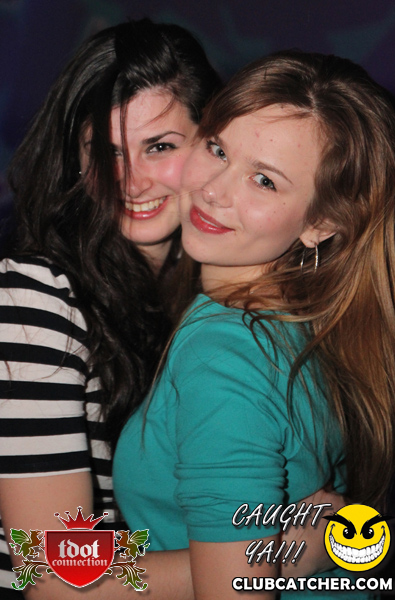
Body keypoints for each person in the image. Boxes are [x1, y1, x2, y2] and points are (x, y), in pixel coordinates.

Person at [113, 50, 395, 599]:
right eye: (218, 149)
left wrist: (54, 580)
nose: (214, 189)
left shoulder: (225, 351)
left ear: (321, 223)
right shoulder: (303, 320)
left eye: (264, 180)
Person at [0, 18, 220, 598]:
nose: (132, 181)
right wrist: (262, 557)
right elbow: (53, 576)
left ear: (214, 146)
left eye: (160, 147)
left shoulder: (209, 295)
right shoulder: (35, 294)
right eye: (106, 151)